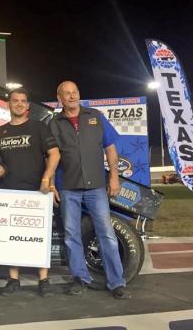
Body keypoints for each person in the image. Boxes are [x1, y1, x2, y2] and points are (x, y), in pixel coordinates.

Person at [49, 81, 131, 299]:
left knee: (106, 234)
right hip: (68, 187)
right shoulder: (54, 123)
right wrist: (50, 184)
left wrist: (114, 176)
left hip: (96, 186)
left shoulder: (95, 116)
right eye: (66, 94)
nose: (71, 96)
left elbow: (110, 148)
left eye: (74, 92)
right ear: (60, 98)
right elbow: (52, 155)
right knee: (71, 235)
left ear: (79, 94)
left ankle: (116, 282)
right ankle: (80, 279)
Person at [0, 87, 60, 297]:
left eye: (23, 101)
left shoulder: (38, 127)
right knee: (11, 236)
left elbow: (55, 154)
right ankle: (13, 279)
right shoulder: (0, 131)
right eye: (15, 101)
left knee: (39, 235)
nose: (19, 104)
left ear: (28, 105)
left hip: (37, 191)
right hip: (9, 191)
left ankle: (44, 280)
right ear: (8, 104)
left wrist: (46, 179)